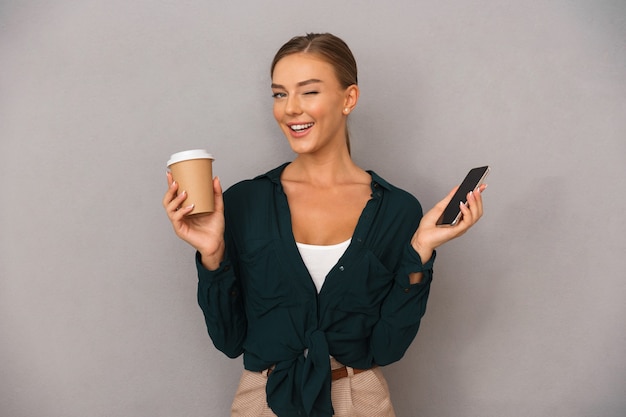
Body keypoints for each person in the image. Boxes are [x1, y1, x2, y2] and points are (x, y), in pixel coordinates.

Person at [163, 33, 486, 417]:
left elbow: (388, 348)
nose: (291, 109)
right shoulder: (243, 202)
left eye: (309, 92)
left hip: (358, 401)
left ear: (348, 98)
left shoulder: (397, 211)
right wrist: (212, 255)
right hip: (265, 402)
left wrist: (421, 251)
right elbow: (230, 340)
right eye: (279, 94)